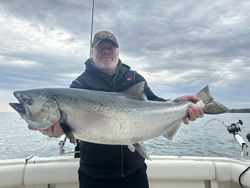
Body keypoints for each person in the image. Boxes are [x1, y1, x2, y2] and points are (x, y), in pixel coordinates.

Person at [28, 31, 204, 188]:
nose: (106, 51)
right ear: (92, 52)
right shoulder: (79, 85)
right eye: (100, 47)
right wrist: (57, 130)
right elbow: (67, 125)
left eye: (111, 48)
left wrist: (176, 104)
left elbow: (155, 103)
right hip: (94, 174)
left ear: (118, 52)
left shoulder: (134, 78)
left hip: (134, 168)